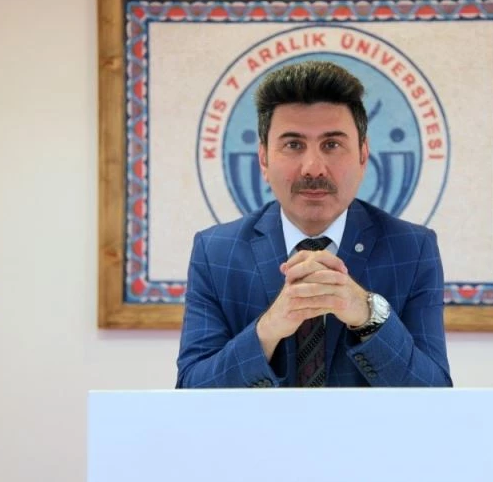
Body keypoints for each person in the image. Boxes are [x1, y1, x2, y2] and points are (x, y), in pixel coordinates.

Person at [176, 60, 452, 388]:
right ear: (263, 159)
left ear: (363, 155)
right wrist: (268, 329)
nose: (313, 168)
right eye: (293, 145)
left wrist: (368, 315)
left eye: (331, 145)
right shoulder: (216, 252)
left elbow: (436, 394)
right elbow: (190, 392)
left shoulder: (413, 248)